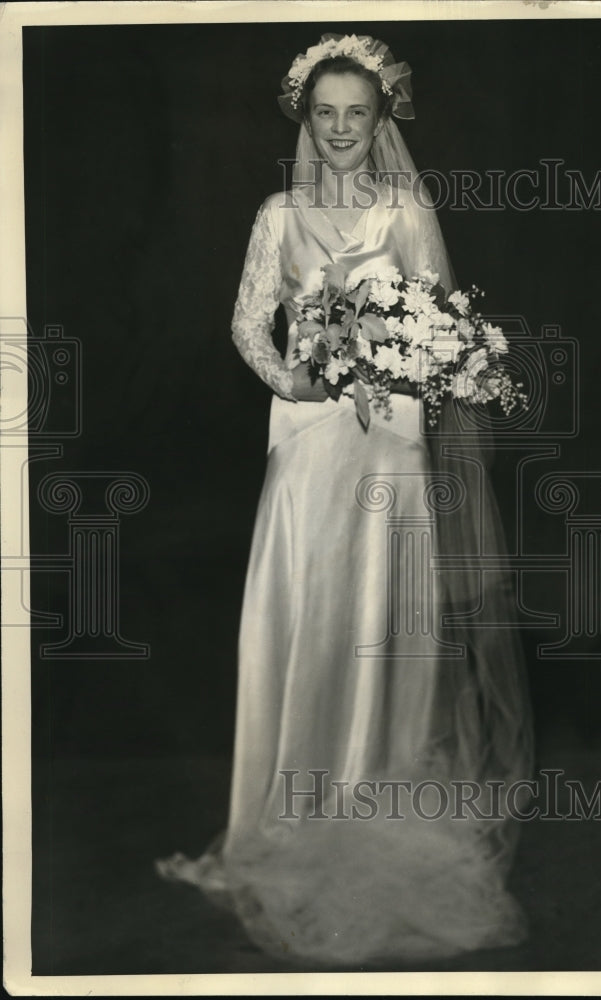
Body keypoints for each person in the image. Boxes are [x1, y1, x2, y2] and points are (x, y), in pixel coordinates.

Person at [156, 32, 534, 967]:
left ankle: (379, 793)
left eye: (354, 114)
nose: (337, 129)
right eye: (323, 113)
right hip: (310, 441)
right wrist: (293, 382)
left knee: (383, 620)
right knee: (307, 616)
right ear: (304, 118)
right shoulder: (277, 214)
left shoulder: (406, 207)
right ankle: (287, 813)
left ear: (380, 122)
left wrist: (408, 357)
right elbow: (248, 319)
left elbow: (440, 317)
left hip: (393, 443)